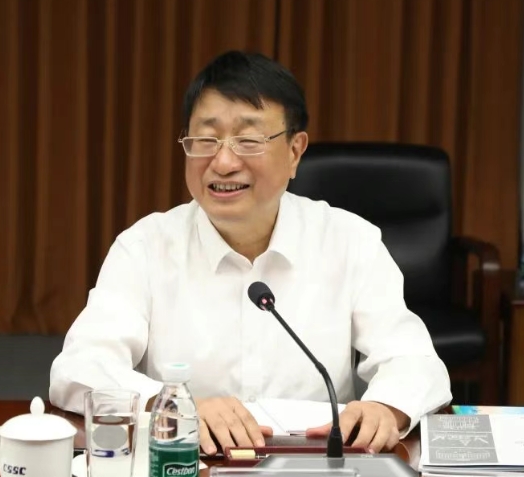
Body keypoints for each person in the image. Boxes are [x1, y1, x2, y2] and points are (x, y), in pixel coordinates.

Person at [49, 50, 452, 454]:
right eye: (206, 140)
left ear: (295, 152)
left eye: (248, 141)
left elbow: (415, 362)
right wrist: (172, 406)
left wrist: (385, 408)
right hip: (187, 468)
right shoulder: (145, 247)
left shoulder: (349, 241)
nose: (223, 162)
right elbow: (79, 367)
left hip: (315, 469)